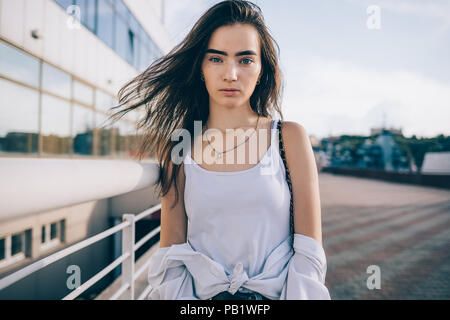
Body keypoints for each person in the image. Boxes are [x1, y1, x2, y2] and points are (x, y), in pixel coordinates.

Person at [109, 0, 331, 300]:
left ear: (262, 67)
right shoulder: (179, 146)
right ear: (200, 66)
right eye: (216, 59)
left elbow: (309, 252)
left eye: (245, 59)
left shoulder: (288, 137)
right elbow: (171, 254)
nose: (231, 74)